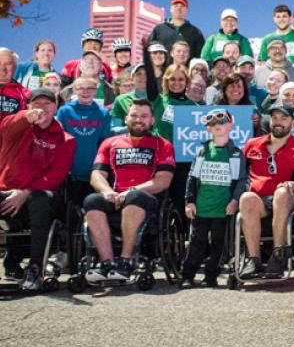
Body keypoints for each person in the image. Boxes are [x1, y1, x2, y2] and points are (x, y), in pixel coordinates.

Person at [83, 99, 176, 282]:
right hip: (115, 195)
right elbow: (96, 175)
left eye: (144, 116)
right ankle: (107, 263)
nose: (138, 120)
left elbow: (163, 181)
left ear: (152, 121)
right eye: (134, 115)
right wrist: (107, 191)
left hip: (146, 199)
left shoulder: (163, 145)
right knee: (92, 201)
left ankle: (125, 262)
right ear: (126, 119)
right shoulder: (110, 143)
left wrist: (130, 192)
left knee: (135, 197)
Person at [0, 88, 75, 290]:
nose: (42, 108)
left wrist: (24, 193)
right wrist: (26, 117)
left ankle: (35, 268)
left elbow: (55, 177)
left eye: (47, 104)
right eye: (37, 104)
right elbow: (8, 126)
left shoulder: (66, 140)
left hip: (38, 197)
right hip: (6, 193)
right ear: (28, 106)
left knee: (39, 197)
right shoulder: (18, 125)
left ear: (56, 107)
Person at [239, 103, 294, 279]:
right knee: (246, 197)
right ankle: (253, 260)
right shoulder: (252, 144)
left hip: (287, 200)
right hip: (259, 201)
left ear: (293, 123)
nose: (278, 122)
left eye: (284, 118)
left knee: (282, 192)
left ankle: (278, 255)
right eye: (274, 118)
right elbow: (239, 177)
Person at [179, 108, 246, 288]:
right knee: (196, 243)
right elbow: (192, 177)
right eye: (213, 124)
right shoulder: (202, 151)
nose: (218, 126)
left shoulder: (236, 153)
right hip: (201, 207)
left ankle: (211, 276)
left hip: (223, 209)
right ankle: (187, 275)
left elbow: (241, 180)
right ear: (208, 128)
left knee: (219, 244)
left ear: (230, 126)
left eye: (222, 122)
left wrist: (235, 201)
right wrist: (189, 201)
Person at [57, 77, 112, 217]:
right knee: (71, 213)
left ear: (96, 91)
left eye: (90, 88)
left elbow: (104, 143)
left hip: (93, 172)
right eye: (80, 88)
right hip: (70, 171)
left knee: (92, 210)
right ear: (74, 90)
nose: (85, 92)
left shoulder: (103, 114)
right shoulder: (64, 112)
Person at [110, 64, 147, 133]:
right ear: (132, 78)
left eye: (147, 74)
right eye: (138, 74)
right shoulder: (120, 100)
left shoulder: (161, 100)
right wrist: (130, 128)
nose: (143, 77)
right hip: (130, 142)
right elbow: (113, 129)